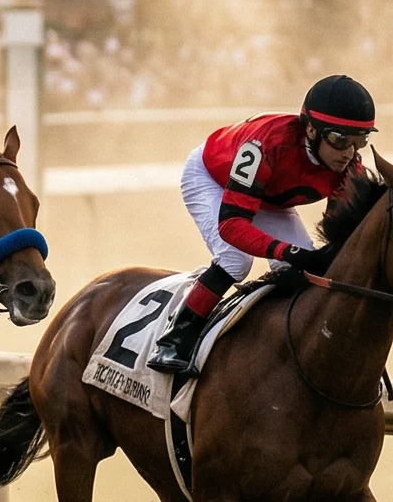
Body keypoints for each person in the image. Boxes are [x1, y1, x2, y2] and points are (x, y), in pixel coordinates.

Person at [147, 74, 375, 378]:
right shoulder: (265, 145)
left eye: (359, 141)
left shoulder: (349, 167)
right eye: (338, 139)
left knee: (305, 273)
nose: (348, 152)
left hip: (268, 197)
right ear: (311, 129)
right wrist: (285, 249)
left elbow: (336, 236)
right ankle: (175, 338)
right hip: (211, 178)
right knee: (236, 261)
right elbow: (231, 225)